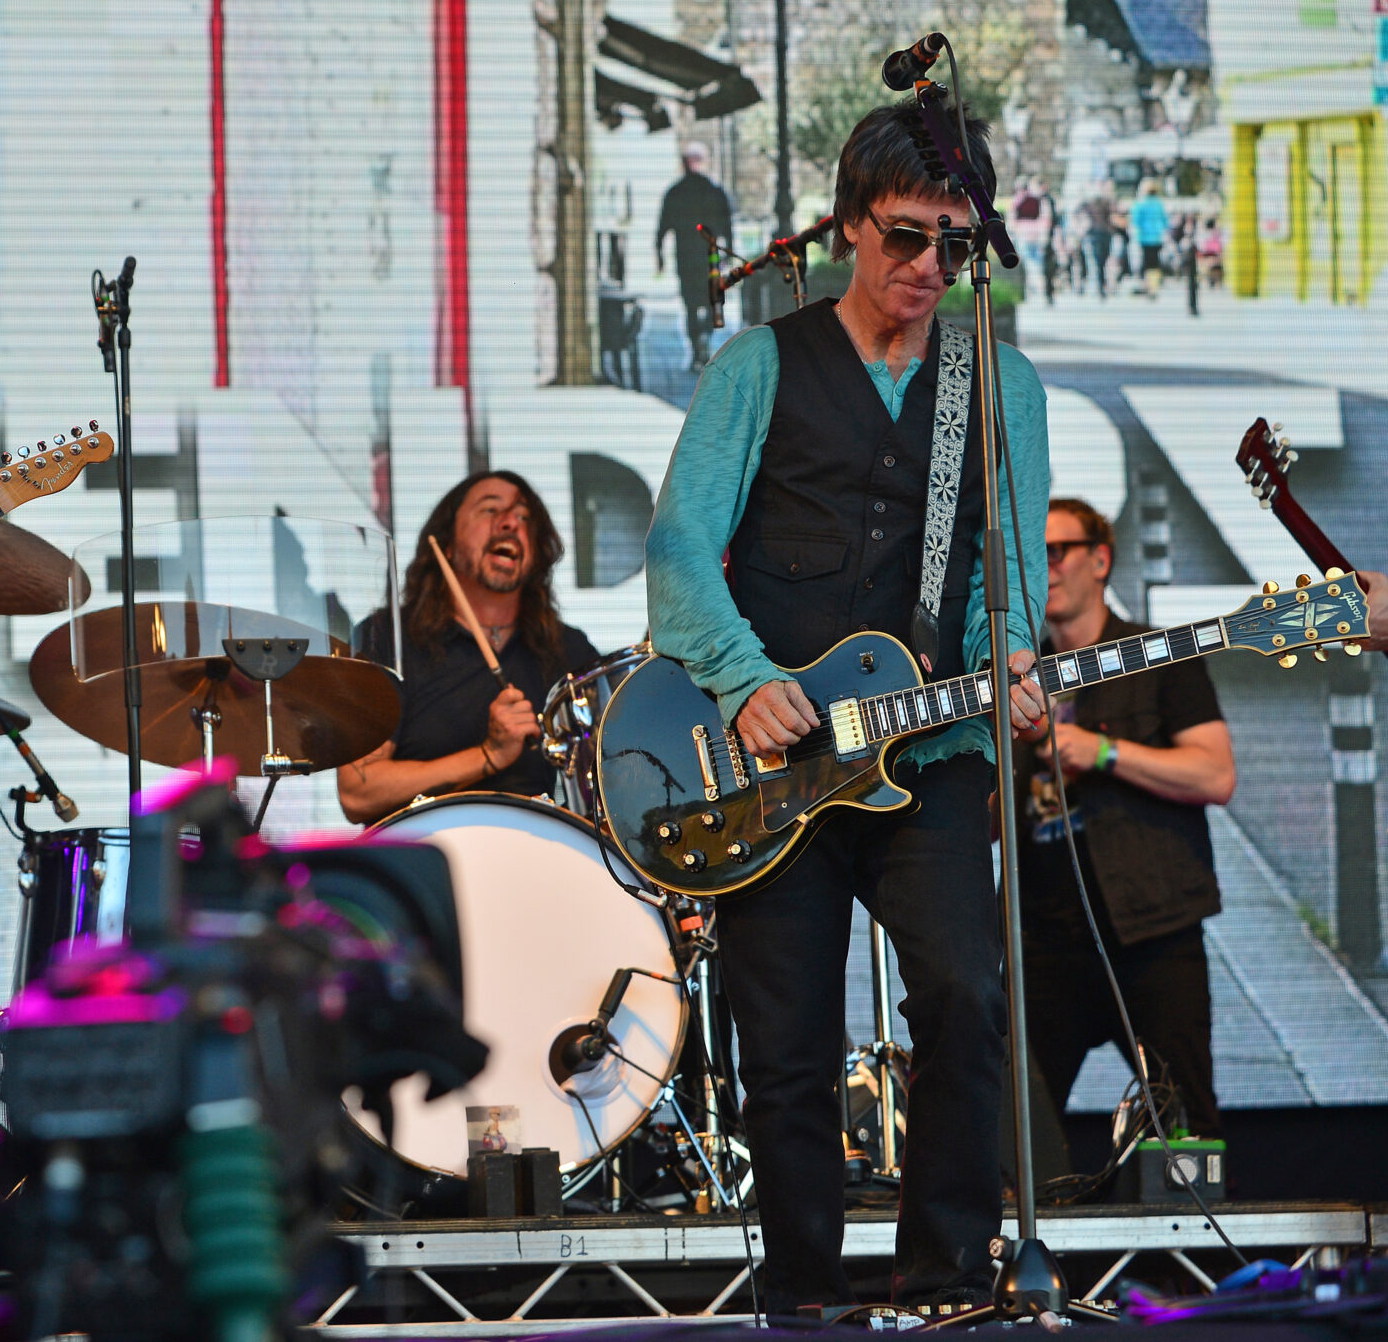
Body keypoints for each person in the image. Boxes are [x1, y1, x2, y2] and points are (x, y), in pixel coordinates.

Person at [644, 100, 1051, 1315]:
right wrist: (743, 678)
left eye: (951, 244)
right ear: (846, 230)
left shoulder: (999, 384)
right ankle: (806, 1302)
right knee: (787, 1047)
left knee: (968, 1002)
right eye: (902, 238)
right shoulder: (757, 365)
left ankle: (945, 1281)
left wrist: (1012, 671)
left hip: (925, 755)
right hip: (774, 760)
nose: (927, 267)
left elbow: (1003, 581)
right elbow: (675, 552)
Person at [1015, 499, 1234, 1143]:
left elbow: (1216, 774)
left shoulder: (1161, 654)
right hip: (1046, 940)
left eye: (1058, 551)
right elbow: (994, 824)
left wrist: (1104, 752)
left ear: (1101, 560)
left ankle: (1198, 1246)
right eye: (1034, 555)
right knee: (1012, 1131)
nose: (1045, 568)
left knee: (1187, 1126)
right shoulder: (1017, 677)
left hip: (1151, 931)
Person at [340, 472, 601, 824]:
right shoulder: (389, 637)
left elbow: (610, 776)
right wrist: (487, 755)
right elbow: (357, 791)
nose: (510, 522)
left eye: (524, 517)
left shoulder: (568, 649)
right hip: (424, 861)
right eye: (490, 510)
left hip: (539, 859)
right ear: (446, 544)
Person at [657, 142, 735, 369]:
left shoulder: (676, 192)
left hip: (687, 256)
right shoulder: (715, 190)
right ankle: (702, 340)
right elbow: (727, 224)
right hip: (708, 257)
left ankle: (697, 344)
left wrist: (659, 253)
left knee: (692, 303)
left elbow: (663, 227)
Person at [1129, 178, 1170, 297]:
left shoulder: (1141, 203)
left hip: (1145, 238)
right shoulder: (1159, 204)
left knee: (1146, 263)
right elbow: (1165, 222)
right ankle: (1153, 287)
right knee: (1155, 263)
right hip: (1157, 238)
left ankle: (1147, 286)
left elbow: (1135, 220)